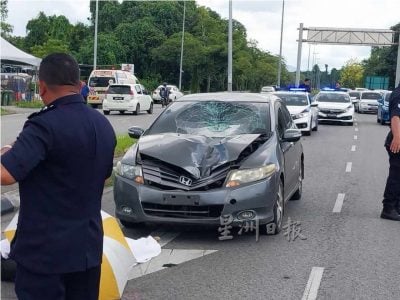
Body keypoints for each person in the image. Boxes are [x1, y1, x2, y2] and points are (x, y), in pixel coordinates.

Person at [0, 53, 116, 299]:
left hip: (44, 256)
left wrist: (7, 153)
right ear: (79, 84)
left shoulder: (43, 125)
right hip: (87, 251)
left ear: (42, 87)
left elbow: (6, 173)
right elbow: (102, 176)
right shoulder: (102, 125)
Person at [381, 82, 400, 221]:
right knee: (396, 175)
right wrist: (398, 138)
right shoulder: (398, 94)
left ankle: (397, 206)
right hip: (397, 141)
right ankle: (388, 208)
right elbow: (395, 117)